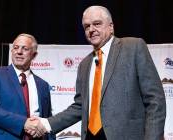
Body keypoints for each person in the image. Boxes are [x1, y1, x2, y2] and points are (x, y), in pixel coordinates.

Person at [29, 5, 166, 140]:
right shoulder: (84, 65)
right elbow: (80, 106)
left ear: (111, 27)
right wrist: (46, 124)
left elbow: (155, 100)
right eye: (87, 26)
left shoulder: (133, 47)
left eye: (97, 24)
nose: (91, 30)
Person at [0, 33, 55, 140]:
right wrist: (24, 123)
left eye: (25, 49)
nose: (19, 52)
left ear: (34, 55)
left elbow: (47, 119)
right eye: (15, 48)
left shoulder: (43, 85)